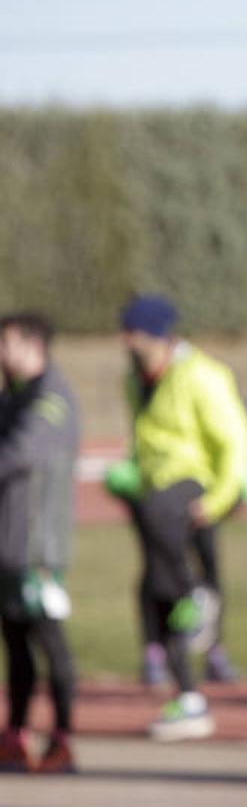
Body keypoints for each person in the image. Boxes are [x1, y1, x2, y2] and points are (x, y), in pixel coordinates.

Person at [116, 294, 247, 740]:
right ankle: (183, 679)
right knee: (160, 584)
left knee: (184, 585)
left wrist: (216, 500)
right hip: (154, 498)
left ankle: (201, 645)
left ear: (157, 335)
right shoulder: (135, 378)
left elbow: (234, 440)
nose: (126, 342)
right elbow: (143, 435)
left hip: (190, 494)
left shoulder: (202, 376)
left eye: (133, 333)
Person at [0, 314, 79, 774]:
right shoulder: (15, 396)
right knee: (15, 641)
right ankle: (16, 733)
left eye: (6, 343)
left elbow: (18, 453)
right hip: (10, 545)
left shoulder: (52, 400)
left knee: (51, 641)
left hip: (38, 549)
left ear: (34, 346)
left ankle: (63, 738)